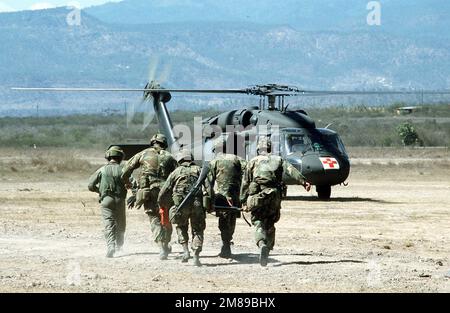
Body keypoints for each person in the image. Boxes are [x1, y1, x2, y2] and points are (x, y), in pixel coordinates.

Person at [240, 137, 310, 266]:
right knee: (271, 221)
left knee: (257, 221)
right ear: (270, 148)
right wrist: (303, 182)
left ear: (258, 149)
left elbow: (245, 182)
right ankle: (268, 247)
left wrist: (243, 201)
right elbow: (291, 170)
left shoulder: (253, 162)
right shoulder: (278, 160)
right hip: (274, 195)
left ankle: (261, 244)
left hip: (257, 196)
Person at [121, 133, 177, 260]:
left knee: (154, 219)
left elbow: (125, 170)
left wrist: (128, 184)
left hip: (148, 192)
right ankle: (166, 243)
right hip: (166, 192)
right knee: (166, 217)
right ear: (164, 144)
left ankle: (161, 247)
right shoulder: (170, 157)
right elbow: (178, 174)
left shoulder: (143, 154)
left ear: (152, 142)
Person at [158, 150, 209, 267]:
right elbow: (209, 189)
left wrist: (161, 203)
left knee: (181, 226)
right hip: (197, 204)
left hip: (180, 205)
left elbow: (164, 191)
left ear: (179, 159)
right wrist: (209, 205)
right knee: (198, 229)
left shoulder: (176, 172)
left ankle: (185, 251)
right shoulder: (199, 170)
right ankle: (196, 255)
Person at [207, 137, 246, 258]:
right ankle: (228, 241)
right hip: (236, 196)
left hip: (222, 198)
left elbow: (209, 182)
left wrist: (209, 198)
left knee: (223, 220)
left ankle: (226, 245)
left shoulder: (214, 162)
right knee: (232, 219)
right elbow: (248, 172)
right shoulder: (237, 159)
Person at [88, 146, 128, 258]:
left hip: (106, 199)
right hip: (120, 200)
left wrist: (100, 191)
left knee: (108, 223)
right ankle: (120, 246)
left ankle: (111, 246)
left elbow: (90, 185)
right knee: (121, 224)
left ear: (108, 156)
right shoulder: (123, 170)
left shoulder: (101, 170)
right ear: (120, 157)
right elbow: (133, 184)